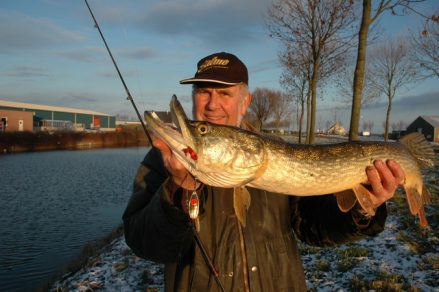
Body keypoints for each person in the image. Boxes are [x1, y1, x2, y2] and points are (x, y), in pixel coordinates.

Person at [123, 52, 405, 291]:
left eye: (224, 93)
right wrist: (177, 188)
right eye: (203, 92)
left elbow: (313, 227)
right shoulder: (164, 160)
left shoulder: (277, 149)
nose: (211, 104)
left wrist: (363, 208)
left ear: (245, 102)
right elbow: (144, 243)